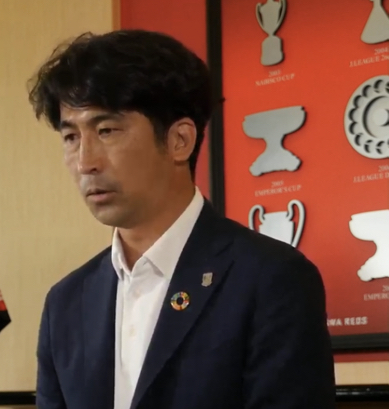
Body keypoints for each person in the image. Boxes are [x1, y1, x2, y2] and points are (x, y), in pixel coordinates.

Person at [27, 29, 335, 409]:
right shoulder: (65, 303)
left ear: (180, 141)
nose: (85, 162)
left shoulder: (272, 278)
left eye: (106, 131)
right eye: (71, 137)